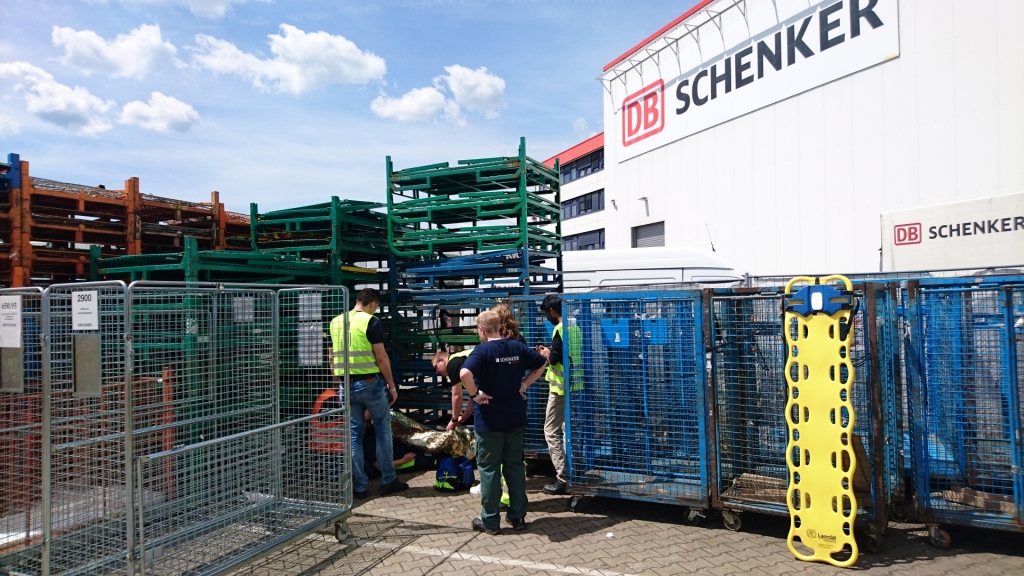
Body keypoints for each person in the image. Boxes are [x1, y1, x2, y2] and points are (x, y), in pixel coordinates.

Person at [459, 310, 547, 534]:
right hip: (515, 418)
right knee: (515, 466)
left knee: (489, 469)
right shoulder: (517, 347)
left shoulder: (482, 351)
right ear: (499, 326)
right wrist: (524, 384)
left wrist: (475, 394)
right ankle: (518, 517)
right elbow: (541, 363)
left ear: (482, 330)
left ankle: (490, 521)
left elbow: (464, 373)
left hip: (490, 422)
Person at [329, 288, 409, 499]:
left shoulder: (336, 322)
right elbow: (381, 357)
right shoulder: (371, 322)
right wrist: (392, 386)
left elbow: (331, 357)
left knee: (354, 434)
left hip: (346, 385)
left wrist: (339, 385)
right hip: (370, 384)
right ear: (372, 303)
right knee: (382, 430)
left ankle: (360, 486)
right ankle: (388, 480)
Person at [536, 295, 568, 495]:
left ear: (552, 311)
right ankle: (574, 469)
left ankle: (563, 478)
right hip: (575, 386)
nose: (547, 318)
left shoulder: (559, 329)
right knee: (567, 431)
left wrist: (546, 353)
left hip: (560, 389)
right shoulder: (575, 327)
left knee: (550, 431)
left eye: (546, 314)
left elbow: (555, 359)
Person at [433, 348, 475, 431]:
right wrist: (464, 417)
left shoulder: (452, 364)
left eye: (436, 367)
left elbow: (457, 396)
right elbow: (475, 396)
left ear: (442, 360)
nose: (436, 372)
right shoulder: (460, 362)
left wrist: (454, 420)